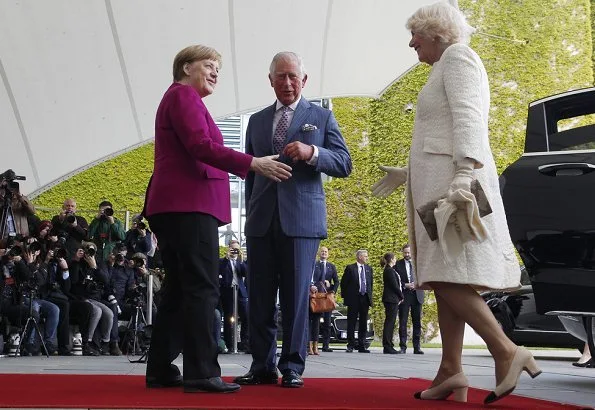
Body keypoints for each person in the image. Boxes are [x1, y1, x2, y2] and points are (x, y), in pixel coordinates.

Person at [372, 2, 541, 404]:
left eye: (416, 35)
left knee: (445, 276)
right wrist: (407, 172)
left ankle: (506, 350)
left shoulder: (458, 57)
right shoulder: (445, 65)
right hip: (441, 184)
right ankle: (451, 371)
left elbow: (469, 117)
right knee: (445, 277)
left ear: (435, 33)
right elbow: (444, 130)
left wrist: (464, 174)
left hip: (453, 188)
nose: (412, 43)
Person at [143, 44, 291, 394]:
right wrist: (253, 163)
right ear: (185, 68)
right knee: (201, 288)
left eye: (218, 69)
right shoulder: (183, 98)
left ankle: (162, 368)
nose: (215, 73)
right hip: (188, 205)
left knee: (181, 289)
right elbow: (200, 145)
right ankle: (201, 372)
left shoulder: (181, 99)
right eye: (208, 66)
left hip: (179, 205)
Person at [233, 51, 352, 389]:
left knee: (296, 297)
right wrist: (250, 214)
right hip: (260, 220)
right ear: (270, 80)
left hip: (301, 221)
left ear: (304, 80)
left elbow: (344, 163)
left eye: (293, 77)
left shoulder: (322, 116)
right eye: (280, 77)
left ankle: (292, 366)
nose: (287, 83)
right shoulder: (255, 121)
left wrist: (312, 153)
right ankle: (261, 365)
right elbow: (250, 173)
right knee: (258, 296)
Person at [218, 239, 249, 352]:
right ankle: (230, 344)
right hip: (228, 292)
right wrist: (227, 258)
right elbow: (222, 272)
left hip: (240, 292)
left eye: (237, 249)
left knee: (246, 317)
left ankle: (244, 343)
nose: (234, 251)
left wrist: (240, 260)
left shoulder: (241, 262)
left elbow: (245, 273)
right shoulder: (223, 261)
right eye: (233, 249)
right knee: (228, 318)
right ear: (229, 248)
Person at [340, 249, 373, 354]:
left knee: (363, 323)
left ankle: (362, 345)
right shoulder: (350, 268)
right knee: (351, 322)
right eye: (365, 256)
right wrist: (346, 297)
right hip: (353, 299)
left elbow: (370, 284)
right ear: (359, 257)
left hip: (364, 298)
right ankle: (350, 344)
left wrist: (369, 297)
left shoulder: (368, 269)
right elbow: (344, 283)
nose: (367, 258)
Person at [395, 244, 424, 354]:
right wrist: (405, 285)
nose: (407, 254)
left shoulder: (419, 264)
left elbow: (424, 277)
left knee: (417, 322)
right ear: (403, 253)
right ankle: (403, 347)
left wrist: (417, 284)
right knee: (403, 321)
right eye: (405, 252)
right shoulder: (398, 264)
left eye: (409, 252)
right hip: (405, 296)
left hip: (417, 295)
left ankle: (417, 347)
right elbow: (395, 279)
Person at [312, 246, 339, 352]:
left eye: (326, 252)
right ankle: (313, 344)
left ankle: (326, 345)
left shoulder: (331, 266)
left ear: (328, 254)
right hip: (317, 297)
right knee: (315, 322)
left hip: (327, 297)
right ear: (319, 253)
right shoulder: (315, 265)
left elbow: (337, 281)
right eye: (322, 251)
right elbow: (311, 278)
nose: (324, 253)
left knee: (327, 323)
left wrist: (332, 290)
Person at [381, 252, 404, 355]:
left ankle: (389, 344)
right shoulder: (389, 271)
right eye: (394, 258)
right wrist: (401, 296)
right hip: (391, 299)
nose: (396, 260)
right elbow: (394, 286)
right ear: (391, 259)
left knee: (390, 322)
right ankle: (387, 345)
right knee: (390, 322)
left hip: (392, 299)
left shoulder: (390, 270)